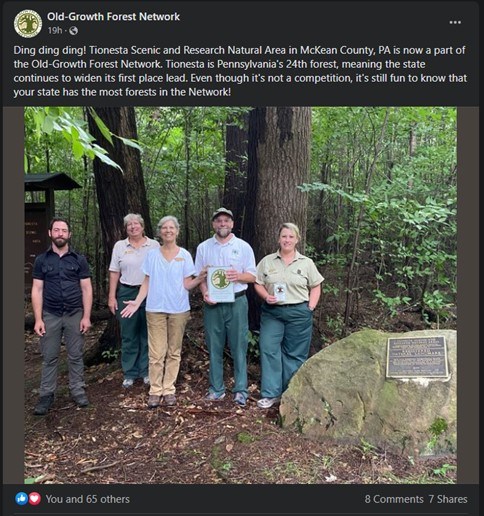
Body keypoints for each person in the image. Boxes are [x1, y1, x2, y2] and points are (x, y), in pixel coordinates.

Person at [121, 216, 206, 409]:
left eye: (172, 228)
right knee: (157, 353)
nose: (168, 231)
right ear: (160, 232)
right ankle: (155, 390)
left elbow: (187, 284)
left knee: (174, 352)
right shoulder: (152, 255)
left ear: (177, 231)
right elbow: (147, 281)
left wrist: (199, 278)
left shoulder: (184, 254)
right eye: (164, 228)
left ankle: (169, 389)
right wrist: (137, 302)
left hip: (179, 309)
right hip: (155, 309)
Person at [254, 223, 324, 409]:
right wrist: (266, 296)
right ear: (278, 238)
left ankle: (291, 393)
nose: (287, 240)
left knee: (295, 353)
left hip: (299, 312)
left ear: (297, 240)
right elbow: (257, 283)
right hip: (273, 313)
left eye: (291, 237)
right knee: (269, 348)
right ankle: (271, 394)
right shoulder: (267, 261)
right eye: (284, 236)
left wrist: (310, 306)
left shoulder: (306, 263)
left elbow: (316, 285)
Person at [194, 208, 256, 407]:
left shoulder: (243, 247)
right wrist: (204, 293)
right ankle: (216, 389)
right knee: (214, 346)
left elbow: (253, 276)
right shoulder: (204, 248)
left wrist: (237, 276)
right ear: (213, 224)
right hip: (213, 304)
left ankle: (240, 390)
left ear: (232, 224)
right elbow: (200, 276)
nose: (222, 224)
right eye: (219, 221)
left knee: (239, 346)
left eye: (226, 221)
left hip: (237, 302)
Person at [31, 217, 93, 415]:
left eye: (64, 230)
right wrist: (39, 318)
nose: (60, 233)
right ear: (50, 233)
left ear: (69, 235)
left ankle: (78, 390)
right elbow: (37, 289)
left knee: (75, 355)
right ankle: (46, 395)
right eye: (56, 230)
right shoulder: (42, 260)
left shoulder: (78, 259)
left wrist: (86, 316)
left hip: (75, 313)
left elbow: (86, 288)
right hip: (50, 314)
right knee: (49, 357)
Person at [108, 213, 159, 388]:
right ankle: (129, 373)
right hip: (126, 292)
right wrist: (111, 296)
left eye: (136, 223)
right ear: (126, 228)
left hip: (150, 294)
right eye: (129, 224)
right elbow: (114, 272)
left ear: (143, 226)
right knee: (128, 334)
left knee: (147, 334)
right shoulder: (120, 246)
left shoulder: (154, 245)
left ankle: (145, 371)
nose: (133, 227)